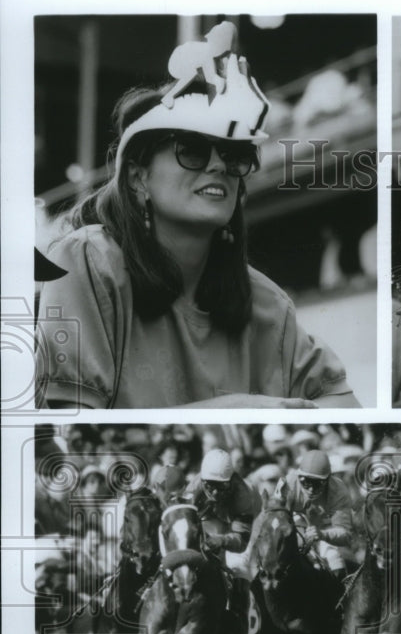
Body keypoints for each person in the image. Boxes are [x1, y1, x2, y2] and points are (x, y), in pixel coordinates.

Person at [36, 21, 359, 410]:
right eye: (192, 149)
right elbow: (69, 433)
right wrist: (232, 414)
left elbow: (343, 405)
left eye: (235, 153)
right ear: (138, 177)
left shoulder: (268, 304)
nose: (218, 165)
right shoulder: (86, 262)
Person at [186, 447, 261, 634]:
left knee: (238, 567)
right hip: (213, 520)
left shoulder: (243, 494)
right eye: (211, 486)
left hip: (244, 527)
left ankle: (239, 627)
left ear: (231, 482)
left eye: (222, 486)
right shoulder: (194, 487)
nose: (216, 492)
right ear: (202, 479)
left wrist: (220, 541)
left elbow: (240, 542)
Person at [274, 450, 353, 578]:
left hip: (324, 529)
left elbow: (345, 534)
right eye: (305, 481)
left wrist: (323, 534)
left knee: (334, 560)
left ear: (328, 480)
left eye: (317, 483)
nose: (310, 489)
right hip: (295, 525)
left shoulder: (339, 491)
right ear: (298, 476)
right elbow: (275, 518)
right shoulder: (288, 483)